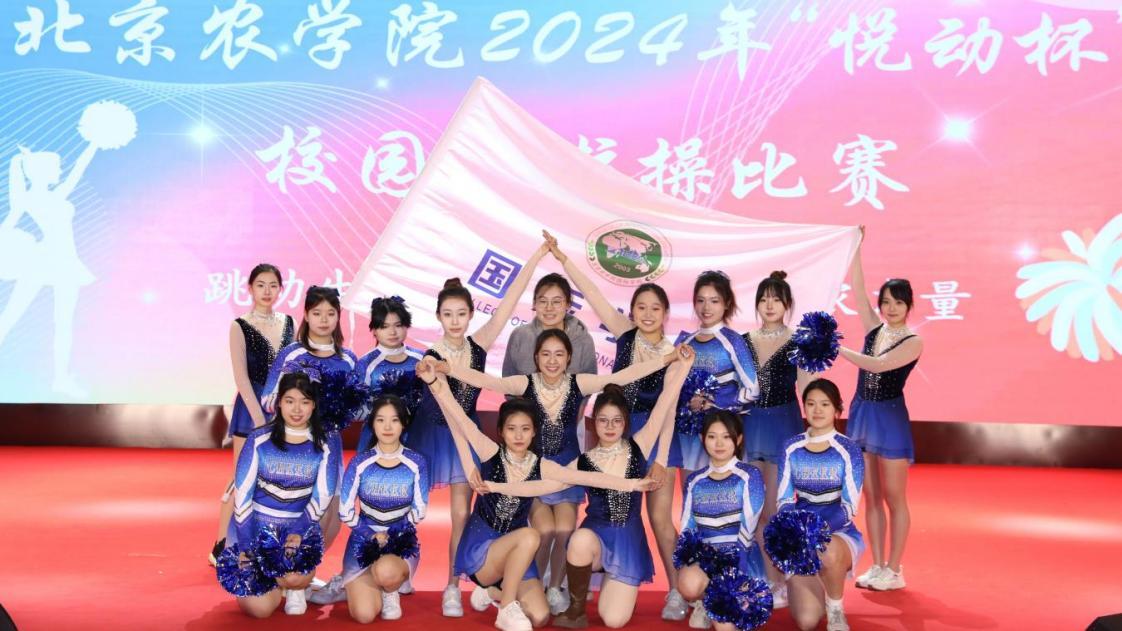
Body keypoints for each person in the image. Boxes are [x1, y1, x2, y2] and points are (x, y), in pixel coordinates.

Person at [431, 329, 679, 613]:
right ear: (536, 357)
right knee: (545, 529)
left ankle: (555, 588)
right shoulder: (524, 382)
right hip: (535, 470)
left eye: (559, 354)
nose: (552, 360)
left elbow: (622, 376)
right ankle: (526, 587)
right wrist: (447, 369)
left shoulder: (578, 382)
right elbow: (487, 381)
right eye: (546, 354)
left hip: (565, 470)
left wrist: (668, 359)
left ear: (569, 357)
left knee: (564, 529)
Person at [544, 230, 686, 620]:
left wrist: (660, 458)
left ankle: (677, 591)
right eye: (641, 307)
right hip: (612, 432)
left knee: (659, 518)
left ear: (665, 313)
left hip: (654, 437)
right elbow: (592, 294)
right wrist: (563, 259)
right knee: (606, 503)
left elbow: (668, 409)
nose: (647, 314)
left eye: (655, 308)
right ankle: (593, 570)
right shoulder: (625, 335)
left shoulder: (674, 354)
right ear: (633, 310)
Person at [405, 239, 550, 617]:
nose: (455, 321)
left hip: (465, 436)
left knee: (460, 514)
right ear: (438, 317)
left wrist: (536, 256)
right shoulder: (431, 357)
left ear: (470, 315)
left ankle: (452, 585)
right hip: (432, 434)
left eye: (461, 314)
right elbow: (444, 404)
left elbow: (508, 303)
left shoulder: (479, 344)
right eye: (447, 314)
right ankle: (402, 571)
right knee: (409, 509)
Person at [551, 348, 694, 629]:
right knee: (579, 540)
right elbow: (549, 481)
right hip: (595, 536)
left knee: (614, 620)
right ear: (594, 422)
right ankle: (576, 610)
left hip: (627, 540)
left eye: (616, 420)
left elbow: (664, 404)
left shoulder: (639, 446)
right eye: (603, 420)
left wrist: (683, 367)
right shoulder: (583, 461)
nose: (609, 426)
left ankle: (615, 581)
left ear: (625, 423)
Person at [838, 228, 922, 592]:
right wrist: (856, 247)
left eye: (898, 303)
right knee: (871, 497)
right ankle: (877, 565)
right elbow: (858, 291)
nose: (891, 308)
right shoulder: (875, 329)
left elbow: (877, 366)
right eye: (886, 302)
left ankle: (895, 567)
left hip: (889, 420)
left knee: (894, 497)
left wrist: (836, 348)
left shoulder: (914, 341)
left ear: (908, 306)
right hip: (863, 415)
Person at [219, 371, 340, 617]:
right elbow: (242, 496)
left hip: (295, 532)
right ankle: (274, 581)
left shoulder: (325, 443)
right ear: (279, 403)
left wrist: (298, 532)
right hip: (255, 529)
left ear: (314, 405)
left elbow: (323, 496)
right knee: (261, 610)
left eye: (305, 402)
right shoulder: (259, 439)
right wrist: (246, 545)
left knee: (296, 577)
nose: (297, 409)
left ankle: (294, 586)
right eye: (290, 401)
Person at [210, 263, 295, 566]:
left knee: (273, 478)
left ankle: (263, 544)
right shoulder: (239, 325)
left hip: (283, 411)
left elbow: (290, 369)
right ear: (250, 288)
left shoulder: (288, 322)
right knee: (242, 477)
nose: (267, 291)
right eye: (261, 285)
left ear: (281, 289)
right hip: (250, 412)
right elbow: (241, 376)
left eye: (273, 285)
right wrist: (259, 417)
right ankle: (221, 545)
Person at [742, 271, 816, 605]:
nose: (769, 305)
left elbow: (808, 389)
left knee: (775, 508)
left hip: (784, 425)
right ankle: (767, 577)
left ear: (787, 304)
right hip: (750, 425)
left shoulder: (799, 340)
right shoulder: (743, 340)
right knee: (756, 508)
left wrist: (816, 435)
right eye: (763, 299)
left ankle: (781, 577)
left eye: (776, 299)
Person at [777, 379, 865, 631]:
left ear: (837, 409)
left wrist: (817, 530)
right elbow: (784, 500)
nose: (817, 410)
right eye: (811, 404)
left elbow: (850, 506)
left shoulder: (848, 449)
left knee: (828, 549)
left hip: (837, 533)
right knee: (807, 622)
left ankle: (835, 608)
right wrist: (797, 533)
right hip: (799, 539)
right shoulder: (791, 447)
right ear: (804, 407)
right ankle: (812, 583)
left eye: (825, 404)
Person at [338, 395, 430, 623]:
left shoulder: (416, 462)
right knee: (364, 615)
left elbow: (419, 510)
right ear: (372, 424)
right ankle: (368, 582)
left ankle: (391, 590)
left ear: (404, 424)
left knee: (387, 572)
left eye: (394, 420)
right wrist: (371, 535)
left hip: (399, 541)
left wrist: (390, 535)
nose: (387, 427)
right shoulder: (360, 463)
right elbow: (345, 511)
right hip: (363, 542)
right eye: (381, 420)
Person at [675, 410, 766, 630]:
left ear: (738, 439)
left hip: (741, 560)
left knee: (729, 627)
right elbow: (687, 528)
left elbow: (749, 526)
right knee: (688, 584)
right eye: (712, 436)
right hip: (707, 560)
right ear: (702, 439)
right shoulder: (695, 480)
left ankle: (719, 603)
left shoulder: (749, 475)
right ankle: (704, 602)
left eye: (726, 436)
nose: (719, 443)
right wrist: (689, 560)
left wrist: (734, 575)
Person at [677, 271, 759, 475]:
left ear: (726, 303)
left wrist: (713, 402)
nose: (706, 308)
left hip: (722, 435)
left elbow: (753, 390)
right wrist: (687, 401)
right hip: (689, 433)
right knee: (691, 486)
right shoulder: (685, 342)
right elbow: (673, 386)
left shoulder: (733, 341)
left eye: (714, 301)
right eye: (701, 300)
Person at [355, 296, 424, 454]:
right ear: (374, 330)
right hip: (376, 438)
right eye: (384, 326)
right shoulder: (366, 363)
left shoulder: (421, 358)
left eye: (398, 325)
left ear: (407, 326)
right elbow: (357, 408)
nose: (392, 332)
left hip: (416, 437)